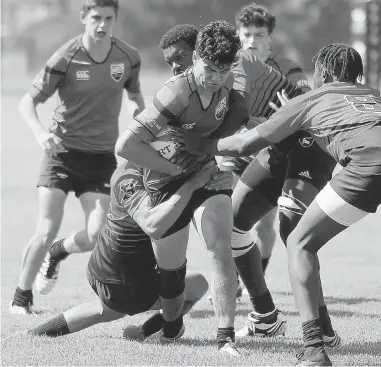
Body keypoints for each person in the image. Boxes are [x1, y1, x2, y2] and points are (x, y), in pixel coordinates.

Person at [187, 43, 381, 366]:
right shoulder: (373, 95)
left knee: (300, 242)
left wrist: (199, 143)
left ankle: (314, 350)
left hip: (370, 162)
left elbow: (245, 143)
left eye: (317, 70)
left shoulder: (313, 98)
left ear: (324, 73)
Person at [157, 23, 339, 345]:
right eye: (169, 60)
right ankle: (266, 316)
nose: (175, 66)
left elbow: (238, 112)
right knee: (234, 228)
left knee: (293, 229)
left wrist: (203, 147)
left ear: (199, 50)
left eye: (180, 57)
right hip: (278, 144)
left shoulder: (233, 62)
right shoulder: (199, 82)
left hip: (309, 137)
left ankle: (324, 332)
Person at [115, 21, 246, 356]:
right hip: (165, 182)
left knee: (220, 247)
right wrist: (180, 170)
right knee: (172, 277)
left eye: (223, 69)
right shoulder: (174, 93)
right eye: (209, 68)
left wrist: (214, 149)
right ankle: (171, 326)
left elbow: (238, 115)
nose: (215, 77)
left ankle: (225, 338)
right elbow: (126, 146)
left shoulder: (227, 79)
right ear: (197, 56)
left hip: (206, 176)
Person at [10, 0, 145, 315]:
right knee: (46, 228)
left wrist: (138, 115)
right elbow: (27, 103)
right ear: (83, 17)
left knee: (98, 233)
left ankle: (59, 252)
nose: (102, 25)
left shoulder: (128, 57)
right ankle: (21, 297)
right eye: (96, 17)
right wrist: (41, 134)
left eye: (108, 19)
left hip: (101, 159)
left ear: (115, 20)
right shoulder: (66, 57)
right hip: (61, 154)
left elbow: (135, 95)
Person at [27, 160, 231, 341]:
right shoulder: (130, 180)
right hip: (122, 279)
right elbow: (154, 225)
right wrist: (193, 184)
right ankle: (167, 332)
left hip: (105, 267)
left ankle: (35, 335)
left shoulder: (137, 169)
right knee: (187, 287)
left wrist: (221, 179)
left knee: (106, 310)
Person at [223, 2, 311, 277]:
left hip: (269, 158)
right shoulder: (227, 65)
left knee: (261, 226)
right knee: (226, 221)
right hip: (233, 155)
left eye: (259, 35)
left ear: (270, 37)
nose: (251, 41)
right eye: (246, 34)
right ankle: (232, 279)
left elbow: (305, 110)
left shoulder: (288, 69)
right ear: (238, 35)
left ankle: (255, 275)